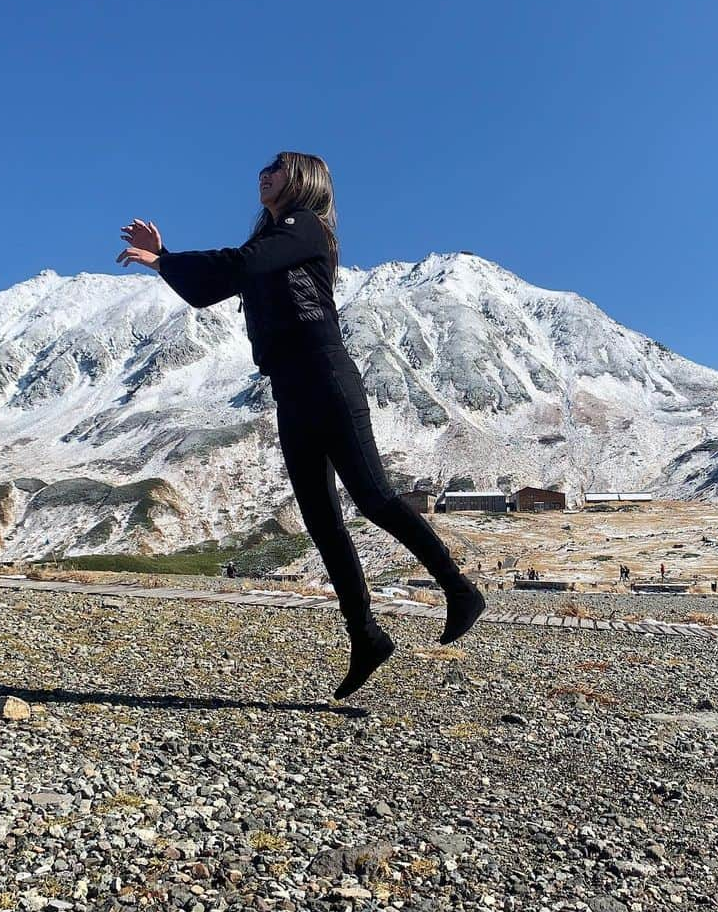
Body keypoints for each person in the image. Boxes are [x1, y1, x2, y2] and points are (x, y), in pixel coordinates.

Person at [117, 152, 485, 699]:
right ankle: (365, 635)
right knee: (321, 518)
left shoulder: (305, 229)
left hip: (326, 376)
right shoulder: (267, 246)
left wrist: (171, 258)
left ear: (304, 181)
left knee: (374, 496)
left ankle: (459, 589)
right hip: (290, 387)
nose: (263, 174)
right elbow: (208, 289)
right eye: (262, 169)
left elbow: (238, 265)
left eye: (277, 168)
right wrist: (163, 260)